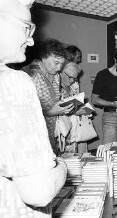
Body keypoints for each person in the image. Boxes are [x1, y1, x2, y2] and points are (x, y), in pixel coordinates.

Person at [0, 0, 67, 217]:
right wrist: (64, 168)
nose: (30, 40)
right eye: (25, 26)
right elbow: (39, 192)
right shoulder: (13, 81)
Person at [26, 39, 75, 155]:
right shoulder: (29, 75)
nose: (59, 68)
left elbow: (53, 102)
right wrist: (51, 112)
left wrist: (63, 107)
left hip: (52, 132)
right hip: (34, 134)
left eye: (61, 64)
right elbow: (26, 113)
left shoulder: (56, 76)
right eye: (56, 62)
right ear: (43, 57)